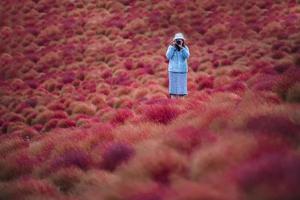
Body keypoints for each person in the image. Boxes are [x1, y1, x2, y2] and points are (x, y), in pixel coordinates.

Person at [165, 32, 190, 99]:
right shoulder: (171, 48)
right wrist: (173, 47)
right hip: (173, 71)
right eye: (177, 40)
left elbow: (187, 56)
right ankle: (173, 104)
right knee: (173, 91)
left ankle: (182, 105)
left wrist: (182, 48)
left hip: (182, 71)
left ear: (183, 41)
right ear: (174, 41)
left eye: (180, 40)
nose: (179, 41)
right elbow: (168, 56)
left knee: (182, 91)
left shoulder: (185, 48)